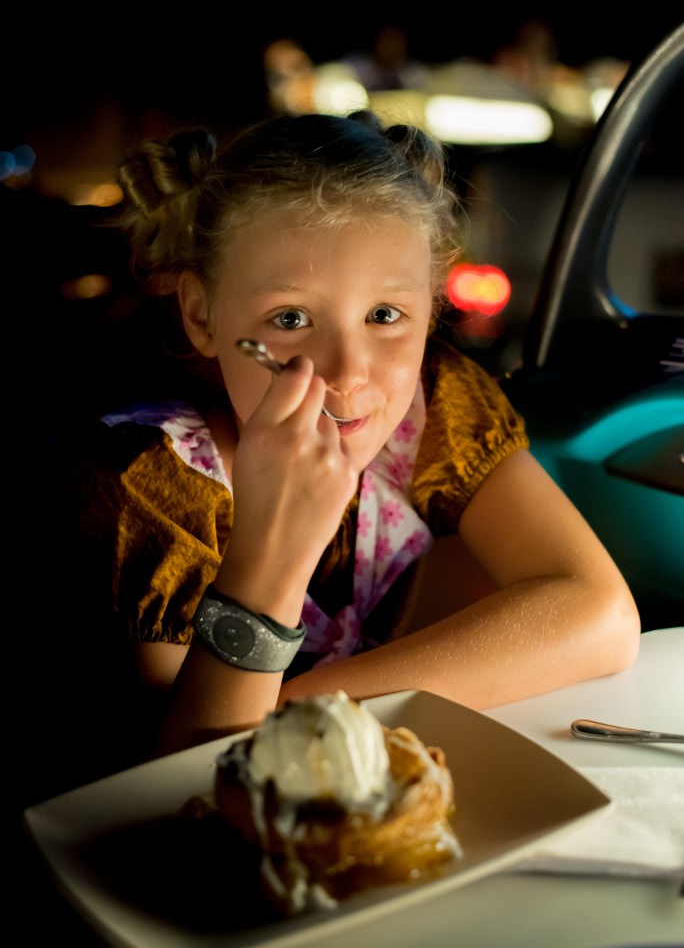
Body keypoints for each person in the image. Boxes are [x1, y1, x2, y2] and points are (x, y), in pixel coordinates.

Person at [49, 110, 639, 787]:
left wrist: (288, 713)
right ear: (202, 314)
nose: (349, 373)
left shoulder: (435, 408)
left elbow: (600, 613)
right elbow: (186, 778)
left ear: (430, 307)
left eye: (385, 315)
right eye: (291, 318)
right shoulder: (145, 487)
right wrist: (274, 545)